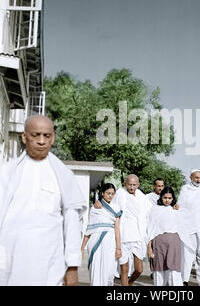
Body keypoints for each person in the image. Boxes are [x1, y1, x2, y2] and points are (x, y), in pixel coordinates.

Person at [0, 115, 86, 286]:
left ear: (52, 138)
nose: (41, 141)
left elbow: (72, 224)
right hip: (10, 260)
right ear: (24, 137)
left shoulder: (63, 176)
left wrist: (72, 266)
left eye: (46, 136)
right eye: (35, 135)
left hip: (49, 263)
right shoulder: (7, 173)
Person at [94, 174, 152, 286]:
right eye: (129, 184)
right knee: (124, 268)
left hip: (138, 236)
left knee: (139, 269)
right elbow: (109, 202)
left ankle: (130, 282)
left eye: (134, 185)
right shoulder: (120, 193)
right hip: (123, 235)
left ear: (138, 185)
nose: (132, 187)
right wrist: (99, 202)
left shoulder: (142, 197)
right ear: (125, 183)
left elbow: (151, 211)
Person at [147, 186, 193, 286]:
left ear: (173, 199)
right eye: (165, 198)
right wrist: (149, 247)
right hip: (158, 244)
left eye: (169, 198)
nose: (167, 200)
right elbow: (150, 229)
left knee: (174, 271)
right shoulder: (155, 210)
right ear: (161, 197)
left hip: (174, 244)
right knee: (159, 270)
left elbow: (186, 222)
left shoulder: (176, 210)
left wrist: (177, 210)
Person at [81, 183, 122, 286]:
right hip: (95, 241)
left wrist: (118, 248)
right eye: (108, 193)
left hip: (110, 241)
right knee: (96, 268)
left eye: (112, 194)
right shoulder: (95, 208)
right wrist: (82, 247)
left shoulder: (116, 208)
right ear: (102, 193)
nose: (110, 196)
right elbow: (90, 228)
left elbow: (117, 229)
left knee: (109, 271)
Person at [177, 169, 200, 286]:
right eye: (196, 178)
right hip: (188, 227)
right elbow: (181, 206)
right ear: (191, 177)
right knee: (186, 255)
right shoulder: (185, 189)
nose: (198, 180)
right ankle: (183, 281)